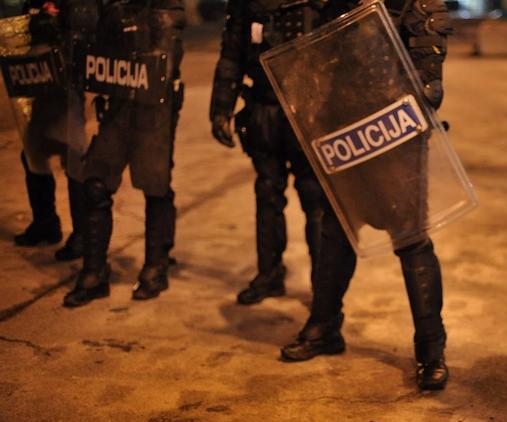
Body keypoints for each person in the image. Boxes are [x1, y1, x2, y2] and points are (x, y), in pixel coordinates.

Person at [272, 0, 454, 391]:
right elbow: (315, 58)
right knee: (336, 230)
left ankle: (430, 348)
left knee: (411, 240)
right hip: (343, 132)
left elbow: (429, 81)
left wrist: (416, 93)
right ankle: (323, 327)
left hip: (393, 134)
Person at [62, 0, 185, 307]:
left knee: (154, 185)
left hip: (152, 108)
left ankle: (155, 265)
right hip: (117, 104)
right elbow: (92, 42)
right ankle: (94, 271)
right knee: (96, 184)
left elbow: (169, 46)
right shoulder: (112, 6)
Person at [209, 0, 324, 305]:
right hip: (263, 107)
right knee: (268, 194)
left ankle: (324, 285)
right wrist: (220, 108)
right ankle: (269, 274)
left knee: (316, 201)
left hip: (309, 111)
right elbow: (232, 52)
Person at [4, 0, 97, 261]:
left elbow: (87, 33)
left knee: (74, 160)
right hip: (41, 89)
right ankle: (45, 223)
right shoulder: (34, 1)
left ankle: (82, 235)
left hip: (67, 92)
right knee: (33, 154)